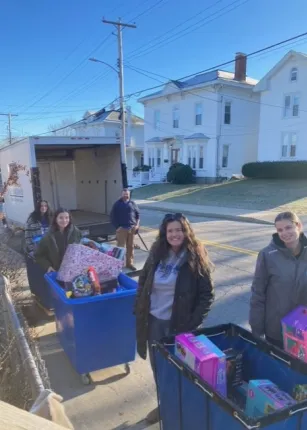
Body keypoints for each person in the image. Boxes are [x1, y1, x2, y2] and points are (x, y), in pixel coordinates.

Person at [135, 213, 214, 424]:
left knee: (180, 369)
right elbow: (143, 281)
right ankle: (164, 405)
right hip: (153, 322)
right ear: (165, 233)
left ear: (186, 231)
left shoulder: (195, 256)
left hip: (179, 325)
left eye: (179, 230)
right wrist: (139, 306)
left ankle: (182, 406)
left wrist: (191, 324)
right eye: (170, 230)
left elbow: (206, 296)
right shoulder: (156, 254)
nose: (174, 234)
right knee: (159, 367)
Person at [249, 211, 307, 349]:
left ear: (298, 226)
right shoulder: (267, 255)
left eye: (288, 227)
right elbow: (258, 293)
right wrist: (257, 330)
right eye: (279, 230)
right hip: (276, 330)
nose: (284, 233)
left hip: (303, 328)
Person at [35, 208, 82, 273]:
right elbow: (38, 256)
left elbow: (80, 247)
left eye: (66, 217)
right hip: (57, 271)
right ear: (56, 219)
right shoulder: (48, 237)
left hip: (73, 270)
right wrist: (48, 266)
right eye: (61, 218)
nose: (64, 220)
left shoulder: (76, 232)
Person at [110, 189, 140, 271]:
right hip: (122, 229)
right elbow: (112, 217)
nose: (126, 196)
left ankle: (129, 264)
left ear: (129, 195)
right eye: (124, 194)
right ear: (121, 194)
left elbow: (138, 215)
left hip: (132, 229)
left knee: (130, 247)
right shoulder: (117, 204)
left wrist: (137, 225)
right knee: (120, 248)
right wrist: (117, 227)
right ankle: (119, 265)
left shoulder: (133, 203)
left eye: (127, 194)